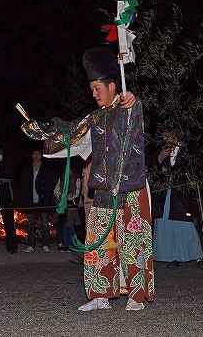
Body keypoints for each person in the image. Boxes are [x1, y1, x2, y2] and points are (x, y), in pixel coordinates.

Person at [21, 46, 154, 311]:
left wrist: (131, 98)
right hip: (103, 187)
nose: (92, 94)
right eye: (91, 88)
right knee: (99, 242)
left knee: (132, 241)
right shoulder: (94, 117)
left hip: (130, 186)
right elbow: (70, 134)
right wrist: (42, 130)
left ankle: (136, 297)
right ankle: (100, 296)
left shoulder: (131, 108)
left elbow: (133, 109)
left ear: (113, 86)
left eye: (97, 88)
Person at [149, 126, 203, 270]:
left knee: (185, 223)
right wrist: (160, 158)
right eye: (163, 136)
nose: (165, 139)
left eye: (168, 135)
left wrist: (168, 170)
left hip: (181, 193)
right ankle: (172, 256)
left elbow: (190, 168)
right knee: (166, 224)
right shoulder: (163, 151)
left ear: (176, 134)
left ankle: (198, 256)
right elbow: (152, 168)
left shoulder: (187, 149)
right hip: (164, 194)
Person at [19, 149, 55, 253]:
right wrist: (25, 197)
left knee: (44, 223)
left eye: (38, 153)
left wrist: (47, 196)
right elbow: (23, 184)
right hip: (30, 201)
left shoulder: (46, 169)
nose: (36, 155)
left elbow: (50, 184)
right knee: (30, 224)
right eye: (34, 153)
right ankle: (31, 245)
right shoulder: (26, 169)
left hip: (43, 200)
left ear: (41, 155)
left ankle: (45, 244)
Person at [53, 167, 81, 251]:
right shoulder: (61, 178)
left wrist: (68, 197)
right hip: (62, 205)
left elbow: (77, 192)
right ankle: (65, 243)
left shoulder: (76, 179)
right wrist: (60, 196)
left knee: (71, 226)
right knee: (64, 226)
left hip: (72, 204)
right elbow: (56, 189)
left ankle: (71, 245)